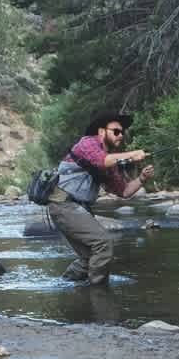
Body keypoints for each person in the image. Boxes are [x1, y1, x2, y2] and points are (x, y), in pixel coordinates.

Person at [46, 111, 154, 285]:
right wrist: (132, 154)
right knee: (103, 243)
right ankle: (98, 291)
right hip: (63, 205)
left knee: (88, 258)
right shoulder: (87, 143)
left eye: (122, 132)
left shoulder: (111, 162)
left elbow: (124, 191)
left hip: (76, 209)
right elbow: (101, 160)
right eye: (116, 131)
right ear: (102, 132)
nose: (121, 135)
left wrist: (142, 178)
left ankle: (66, 287)